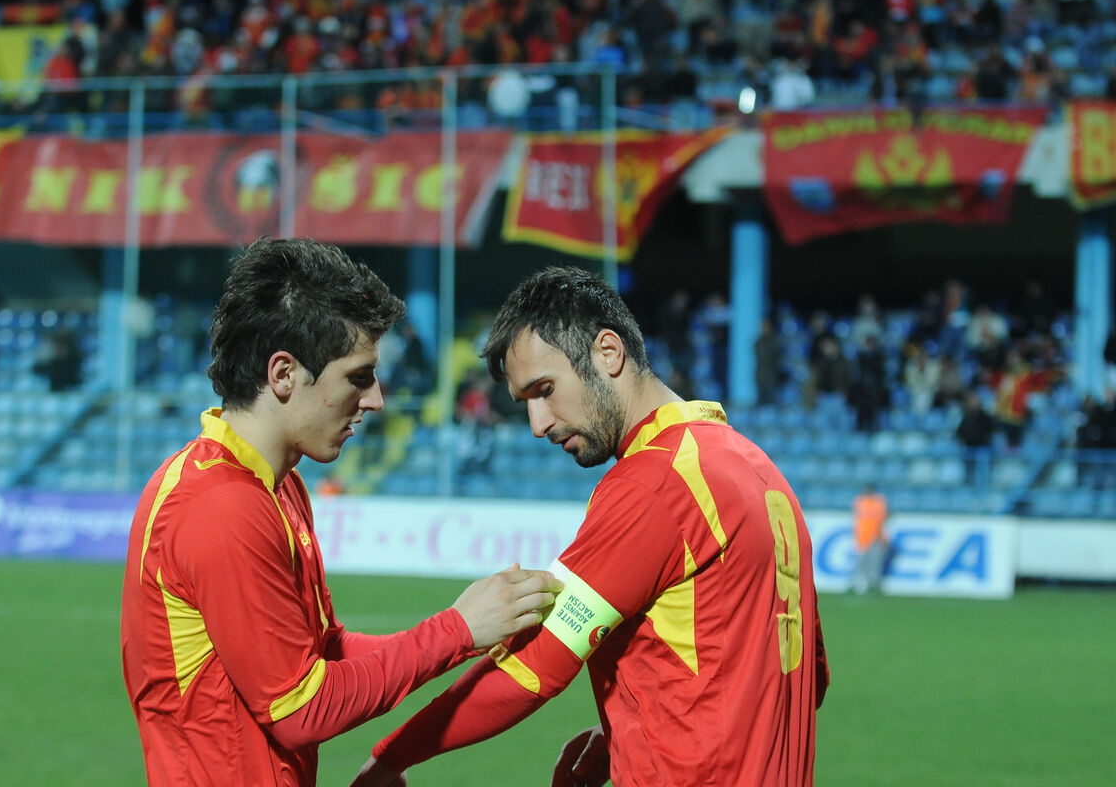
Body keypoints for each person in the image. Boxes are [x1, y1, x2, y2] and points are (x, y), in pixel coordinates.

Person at [354, 267, 829, 787]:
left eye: (545, 390)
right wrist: (636, 725)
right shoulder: (758, 469)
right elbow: (801, 678)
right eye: (525, 403)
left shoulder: (655, 484)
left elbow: (531, 669)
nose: (538, 424)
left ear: (608, 352)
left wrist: (391, 758)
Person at [120, 238, 561, 787]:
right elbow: (298, 710)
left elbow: (326, 653)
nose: (376, 399)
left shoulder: (276, 485)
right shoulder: (220, 506)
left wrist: (468, 631)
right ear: (283, 374)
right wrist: (455, 631)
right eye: (358, 376)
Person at [850, 483, 889, 595]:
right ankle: (860, 584)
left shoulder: (879, 501)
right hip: (863, 537)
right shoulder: (860, 501)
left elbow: (883, 518)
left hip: (877, 536)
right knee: (862, 562)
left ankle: (873, 584)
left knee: (875, 563)